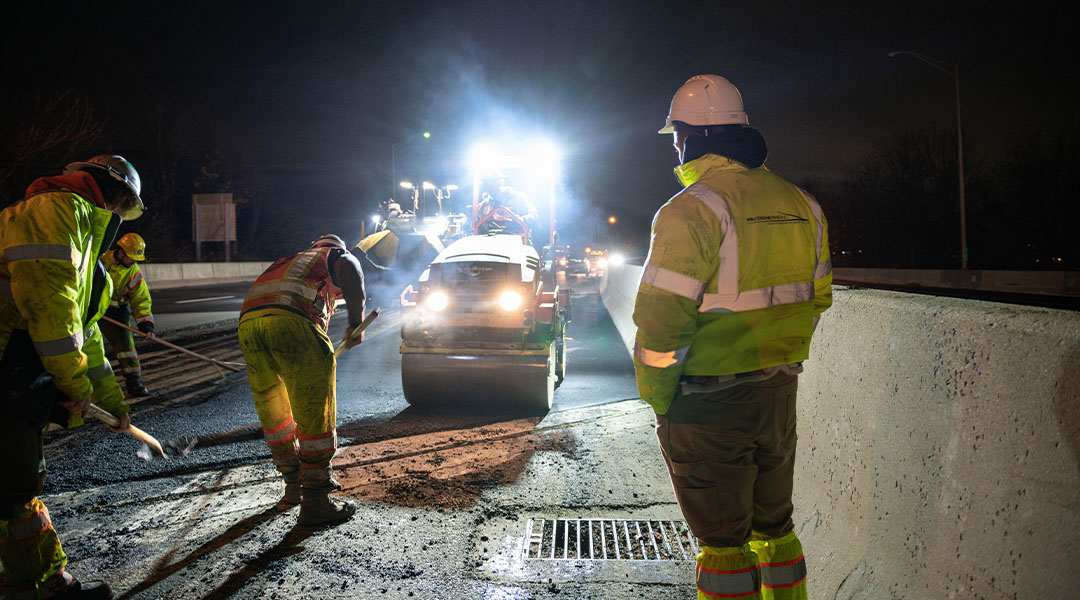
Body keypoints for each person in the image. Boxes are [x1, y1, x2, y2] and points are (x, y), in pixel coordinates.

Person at [633, 75, 832, 600]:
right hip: (778, 395)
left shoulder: (689, 210)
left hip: (706, 403)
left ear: (694, 137)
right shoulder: (804, 205)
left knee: (724, 547)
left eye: (676, 134)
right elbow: (818, 299)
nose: (674, 145)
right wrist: (778, 357)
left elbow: (661, 319)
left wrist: (659, 396)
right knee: (775, 531)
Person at [1, 154, 147, 600]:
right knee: (15, 482)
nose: (121, 221)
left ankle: (26, 583)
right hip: (8, 370)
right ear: (116, 196)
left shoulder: (91, 257)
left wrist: (113, 401)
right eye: (124, 209)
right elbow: (50, 311)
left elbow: (88, 340)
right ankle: (49, 584)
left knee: (14, 483)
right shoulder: (54, 212)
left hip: (17, 372)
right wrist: (74, 387)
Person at [237, 234, 367, 526]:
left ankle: (293, 487)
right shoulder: (333, 256)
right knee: (313, 412)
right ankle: (317, 501)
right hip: (292, 321)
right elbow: (351, 267)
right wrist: (355, 324)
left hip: (249, 324)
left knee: (276, 413)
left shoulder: (289, 262)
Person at [98, 233, 155, 397]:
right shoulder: (101, 260)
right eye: (131, 258)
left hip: (116, 313)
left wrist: (146, 325)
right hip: (93, 308)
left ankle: (134, 382)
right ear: (120, 252)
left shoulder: (134, 274)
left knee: (126, 348)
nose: (134, 262)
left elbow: (141, 301)